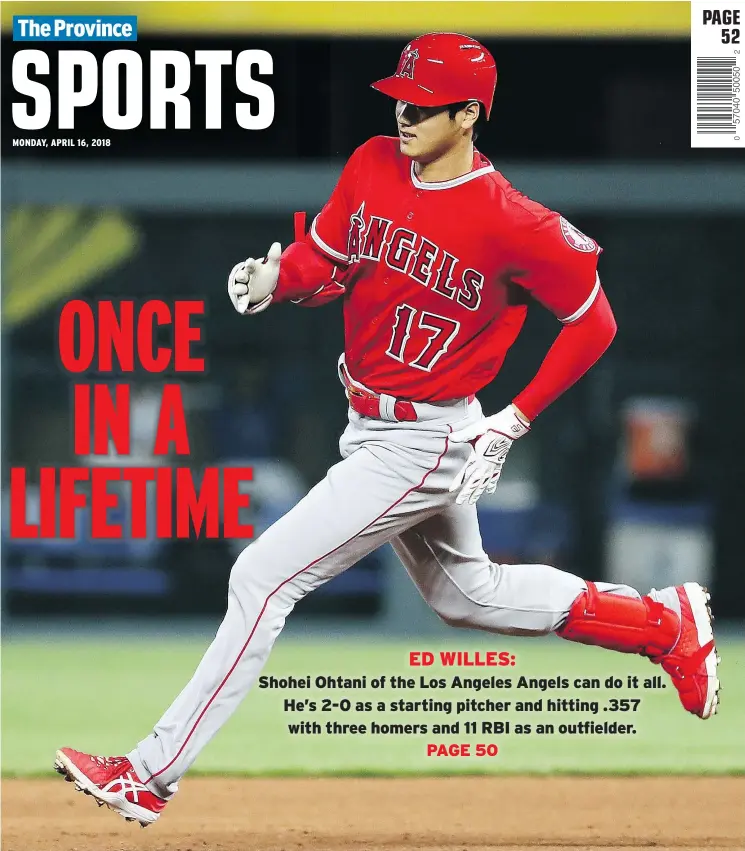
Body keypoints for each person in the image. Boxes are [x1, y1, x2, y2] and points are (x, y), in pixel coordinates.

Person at [55, 33, 719, 827]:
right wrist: (278, 280)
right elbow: (325, 259)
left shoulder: (514, 221)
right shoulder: (373, 162)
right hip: (366, 420)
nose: (403, 112)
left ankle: (148, 773)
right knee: (468, 593)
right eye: (399, 96)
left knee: (262, 576)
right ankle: (663, 624)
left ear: (468, 114)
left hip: (427, 438)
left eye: (423, 103)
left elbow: (593, 322)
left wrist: (515, 417)